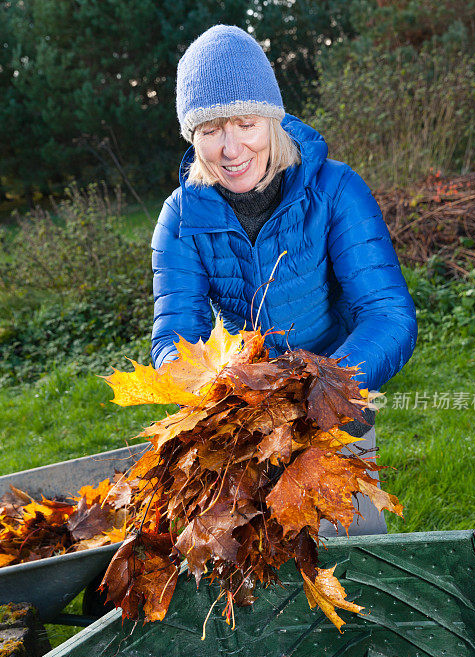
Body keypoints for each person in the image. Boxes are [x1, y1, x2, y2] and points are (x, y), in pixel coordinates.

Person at [151, 24, 417, 536]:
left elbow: (387, 314)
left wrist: (323, 389)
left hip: (335, 398)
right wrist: (221, 393)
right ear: (192, 136)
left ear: (271, 120)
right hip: (244, 415)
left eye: (245, 123)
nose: (230, 149)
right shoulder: (180, 217)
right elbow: (172, 339)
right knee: (255, 557)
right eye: (210, 131)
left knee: (350, 548)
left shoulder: (336, 189)